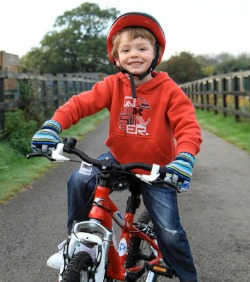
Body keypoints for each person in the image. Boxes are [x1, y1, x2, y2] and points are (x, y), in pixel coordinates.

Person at [31, 12, 202, 282]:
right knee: (79, 179)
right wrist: (53, 125)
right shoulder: (113, 85)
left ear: (156, 54)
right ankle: (80, 242)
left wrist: (184, 157)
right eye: (126, 49)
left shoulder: (169, 90)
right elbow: (79, 104)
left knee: (169, 230)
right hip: (117, 158)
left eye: (142, 48)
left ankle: (187, 276)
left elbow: (188, 128)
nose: (134, 54)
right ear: (116, 57)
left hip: (157, 167)